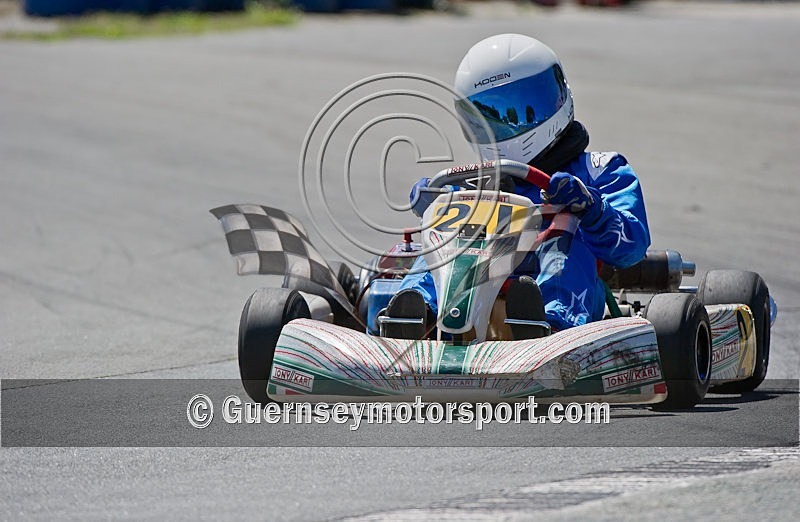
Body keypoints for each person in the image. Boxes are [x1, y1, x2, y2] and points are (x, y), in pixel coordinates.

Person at [384, 33, 650, 339]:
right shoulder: (477, 184)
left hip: (560, 300)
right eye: (491, 116)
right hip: (478, 293)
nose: (506, 124)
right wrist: (437, 204)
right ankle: (414, 316)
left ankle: (549, 323)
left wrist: (591, 208)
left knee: (564, 232)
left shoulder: (599, 169)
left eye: (518, 111)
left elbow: (632, 247)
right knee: (444, 239)